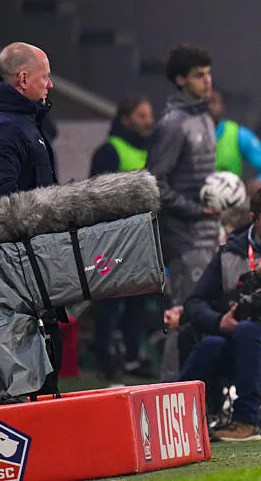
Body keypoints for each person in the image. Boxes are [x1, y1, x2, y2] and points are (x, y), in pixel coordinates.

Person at [173, 186, 261, 442]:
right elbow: (194, 302)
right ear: (253, 219)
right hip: (239, 334)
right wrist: (219, 321)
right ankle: (177, 422)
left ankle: (247, 422)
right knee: (209, 344)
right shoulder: (230, 252)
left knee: (248, 332)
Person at [146, 43, 220, 382]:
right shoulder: (173, 125)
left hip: (207, 235)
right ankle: (171, 393)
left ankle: (206, 396)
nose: (207, 81)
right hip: (185, 239)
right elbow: (153, 184)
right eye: (198, 76)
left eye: (208, 74)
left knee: (204, 314)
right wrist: (197, 211)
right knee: (183, 315)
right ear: (180, 80)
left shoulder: (204, 117)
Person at [0, 42, 63, 395]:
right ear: (23, 78)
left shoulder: (26, 124)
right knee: (28, 370)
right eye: (45, 76)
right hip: (15, 273)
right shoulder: (8, 128)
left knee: (49, 354)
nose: (49, 84)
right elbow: (4, 204)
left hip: (31, 266)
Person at [89, 95, 155, 382]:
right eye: (142, 115)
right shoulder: (108, 151)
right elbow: (95, 196)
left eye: (149, 115)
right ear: (126, 118)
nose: (148, 121)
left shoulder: (152, 150)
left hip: (142, 238)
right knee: (107, 303)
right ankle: (105, 359)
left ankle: (131, 357)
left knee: (137, 302)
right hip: (111, 240)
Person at [208, 89, 261, 188]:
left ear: (223, 106)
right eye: (203, 102)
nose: (208, 107)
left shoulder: (238, 134)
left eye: (213, 101)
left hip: (230, 201)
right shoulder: (187, 133)